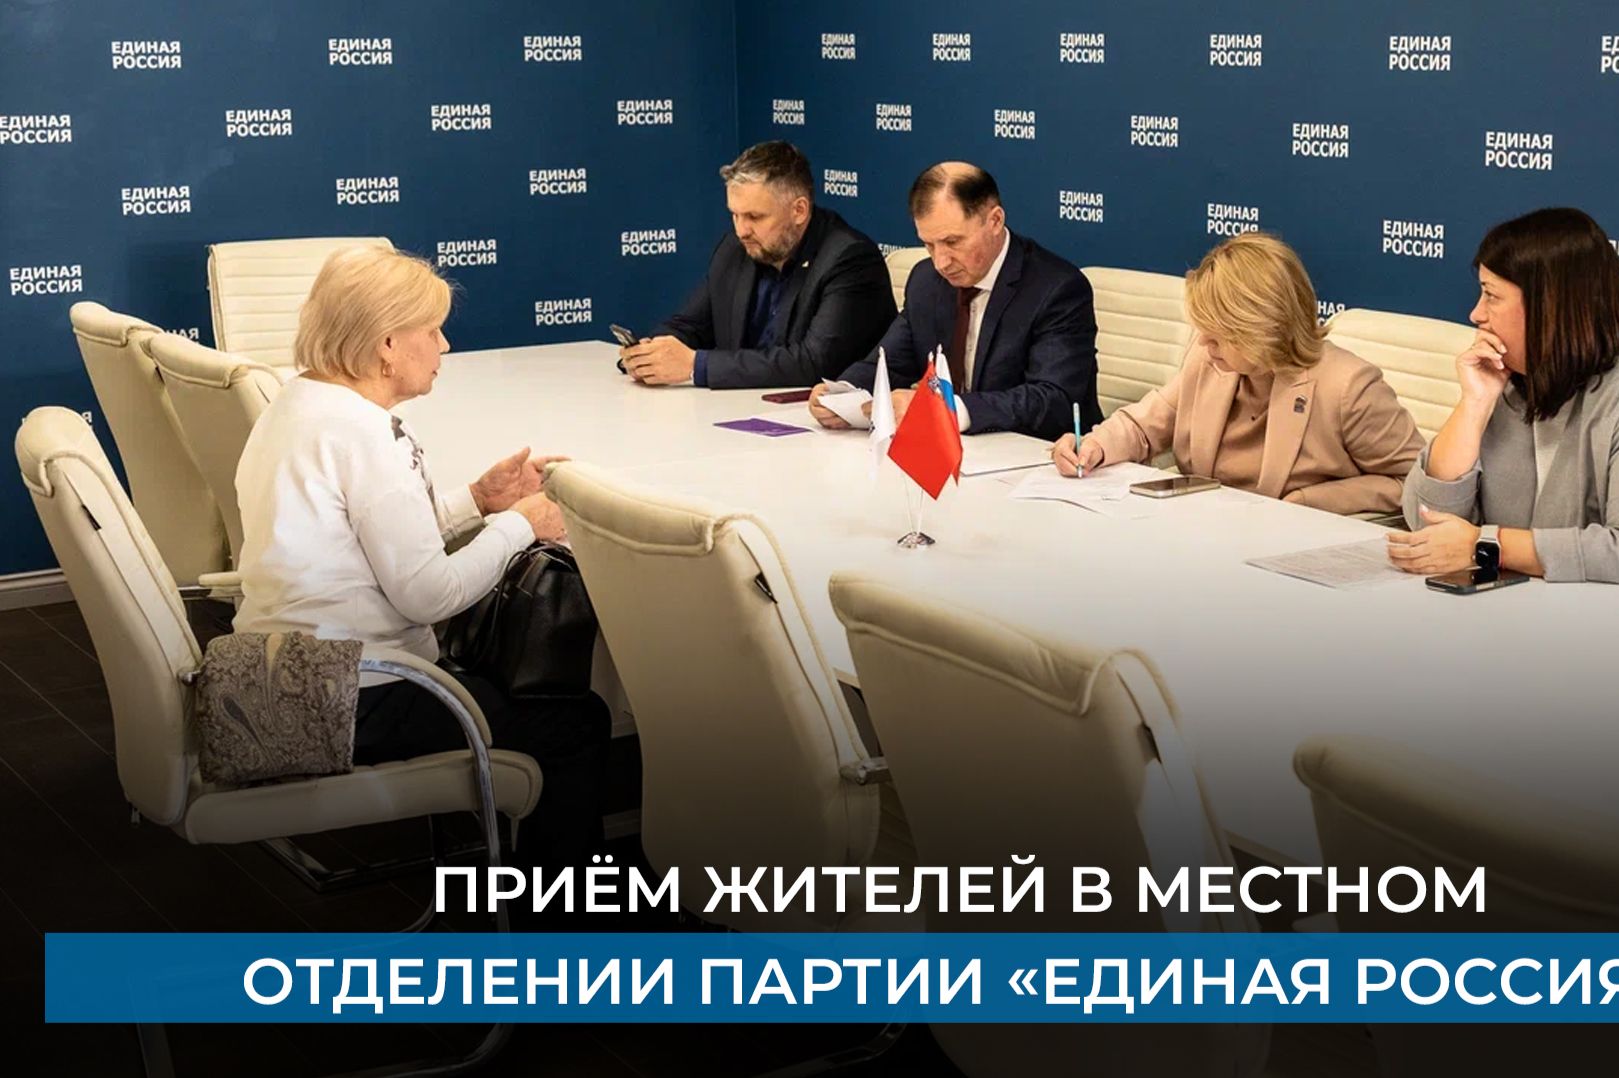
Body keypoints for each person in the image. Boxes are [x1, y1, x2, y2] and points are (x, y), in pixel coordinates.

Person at [234, 246, 610, 868]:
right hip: (353, 697)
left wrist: (479, 501)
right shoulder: (363, 436)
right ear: (387, 343)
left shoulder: (298, 404)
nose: (445, 345)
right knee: (575, 722)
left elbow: (366, 537)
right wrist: (523, 523)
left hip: (282, 678)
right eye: (432, 331)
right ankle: (561, 912)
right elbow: (431, 595)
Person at [1387, 207, 1619, 601]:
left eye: (1491, 296)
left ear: (1550, 306)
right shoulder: (1509, 383)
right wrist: (1474, 404)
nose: (1476, 314)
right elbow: (1427, 524)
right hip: (1548, 601)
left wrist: (1484, 545)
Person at [1051, 231, 1422, 512]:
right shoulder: (1208, 359)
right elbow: (1144, 426)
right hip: (1208, 533)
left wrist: (1309, 501)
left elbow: (1415, 484)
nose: (1204, 343)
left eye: (1219, 335)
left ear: (1260, 329)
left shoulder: (1348, 387)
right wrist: (1095, 446)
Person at [812, 162, 1101, 440]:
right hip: (954, 451)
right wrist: (843, 394)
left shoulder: (1056, 289)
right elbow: (889, 363)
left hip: (1040, 455)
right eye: (929, 244)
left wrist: (949, 410)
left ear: (995, 221)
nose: (941, 262)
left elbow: (1053, 399)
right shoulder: (926, 280)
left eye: (953, 242)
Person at [619, 140, 896, 388]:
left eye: (754, 217)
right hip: (741, 410)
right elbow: (690, 325)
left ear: (799, 210)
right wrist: (648, 354)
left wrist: (696, 365)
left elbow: (814, 362)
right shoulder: (736, 248)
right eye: (735, 215)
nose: (741, 230)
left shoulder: (849, 259)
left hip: (815, 417)